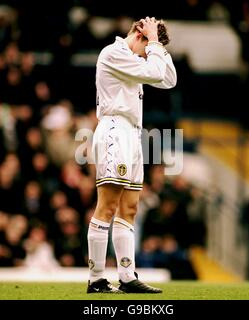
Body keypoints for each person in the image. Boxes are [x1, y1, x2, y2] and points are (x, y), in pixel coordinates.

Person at [87, 17, 177, 294]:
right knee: (108, 205)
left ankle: (127, 277)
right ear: (139, 34)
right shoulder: (113, 53)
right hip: (115, 130)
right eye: (148, 42)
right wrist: (153, 44)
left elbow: (169, 79)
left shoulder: (138, 59)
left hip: (132, 133)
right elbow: (154, 73)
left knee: (130, 209)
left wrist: (157, 43)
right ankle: (97, 279)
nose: (150, 49)